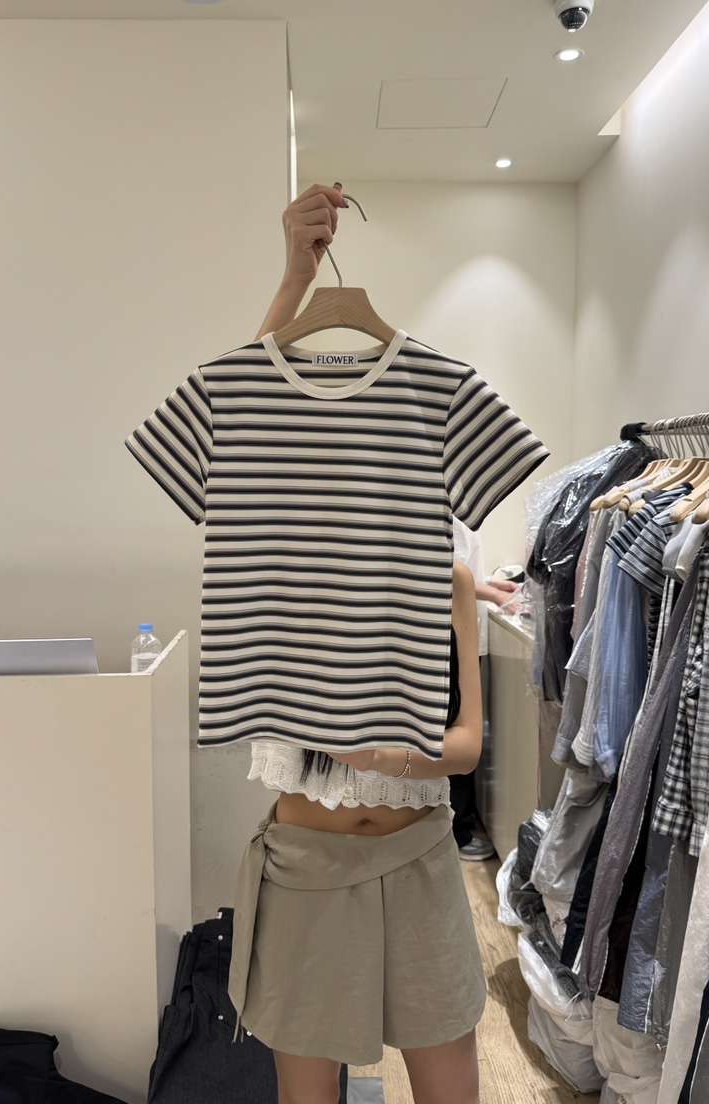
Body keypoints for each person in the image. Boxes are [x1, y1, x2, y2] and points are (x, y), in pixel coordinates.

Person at [231, 183, 487, 1104]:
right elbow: (242, 423)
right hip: (306, 872)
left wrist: (388, 752)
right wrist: (292, 280)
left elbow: (468, 746)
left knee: (451, 1086)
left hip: (420, 862)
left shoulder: (449, 578)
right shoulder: (277, 573)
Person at [451, 520, 520, 861]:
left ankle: (459, 827)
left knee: (466, 730)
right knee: (459, 732)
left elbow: (463, 572)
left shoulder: (462, 519)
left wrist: (492, 585)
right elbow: (445, 574)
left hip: (464, 638)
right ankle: (458, 833)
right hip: (452, 641)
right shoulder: (444, 514)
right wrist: (494, 594)